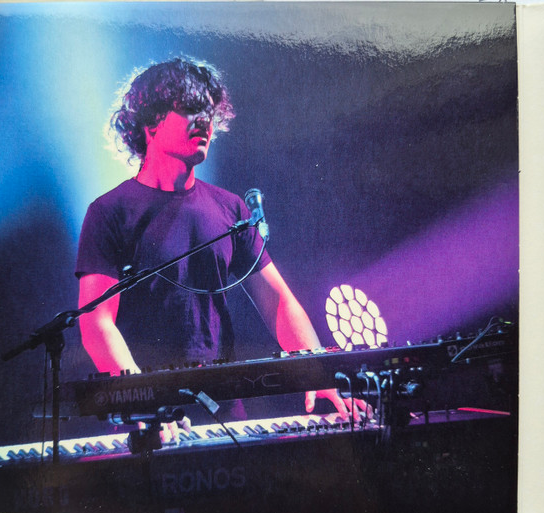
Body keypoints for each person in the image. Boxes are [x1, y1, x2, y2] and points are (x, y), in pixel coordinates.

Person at [76, 58, 366, 441]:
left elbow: (279, 302)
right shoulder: (109, 212)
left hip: (224, 412)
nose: (204, 121)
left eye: (209, 112)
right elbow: (96, 322)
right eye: (190, 108)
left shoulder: (230, 209)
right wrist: (143, 402)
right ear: (150, 122)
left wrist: (317, 371)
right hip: (149, 421)